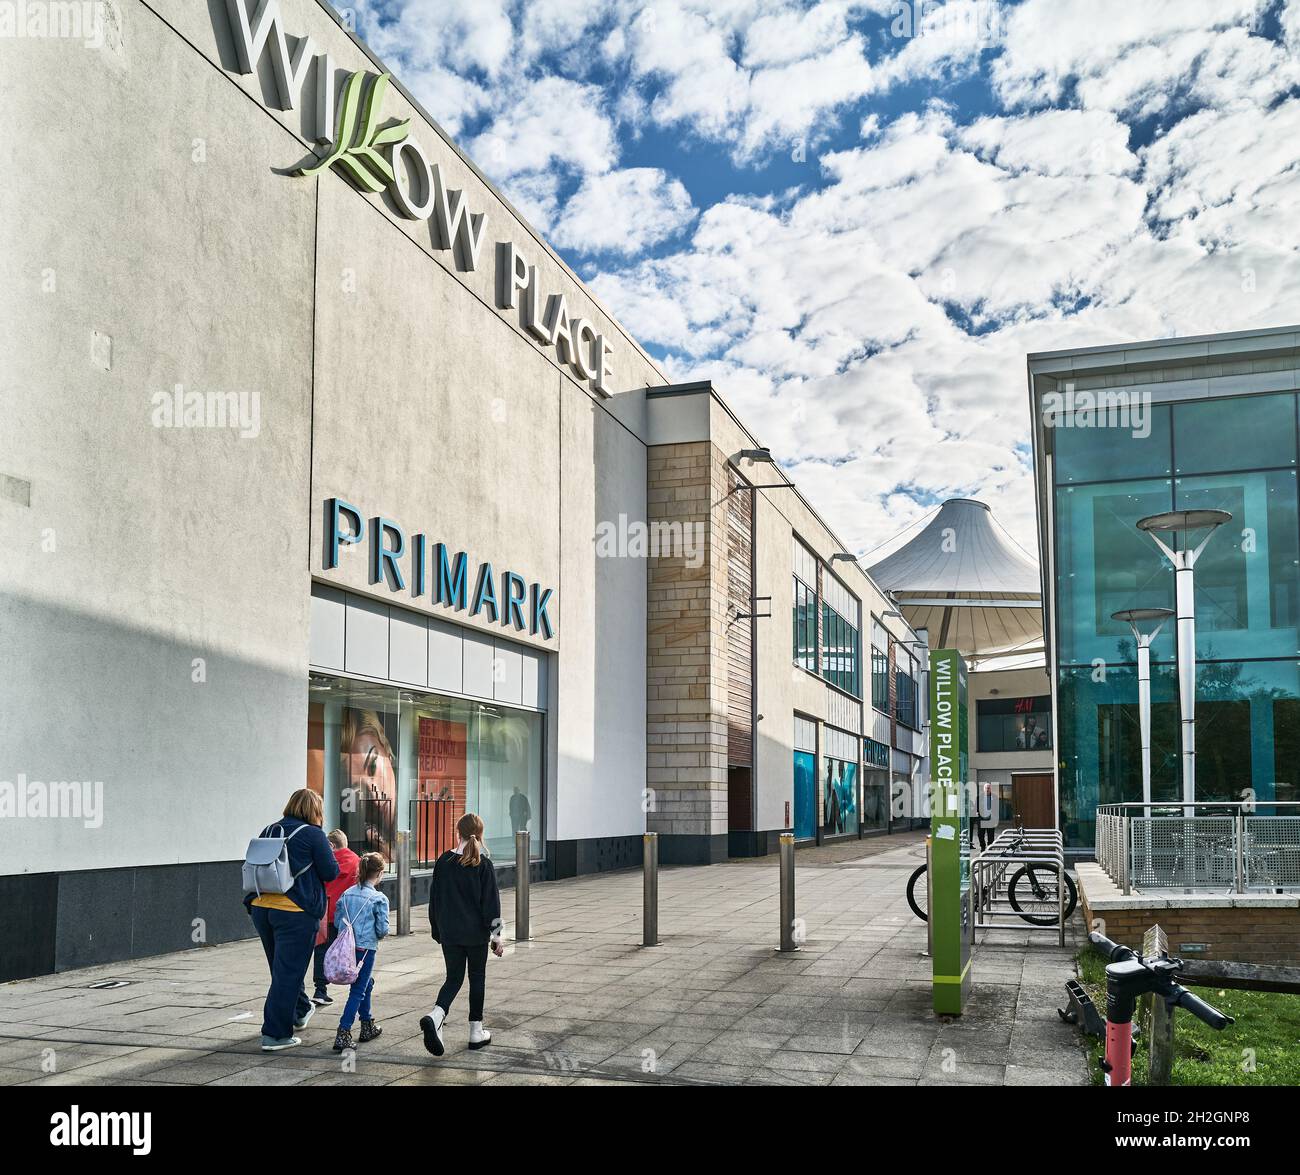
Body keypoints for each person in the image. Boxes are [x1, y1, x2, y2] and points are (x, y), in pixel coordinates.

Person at [245, 789, 339, 1052]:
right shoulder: (312, 833)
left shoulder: (270, 829)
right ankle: (274, 1034)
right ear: (314, 810)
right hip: (295, 911)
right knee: (288, 972)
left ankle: (299, 1010)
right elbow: (331, 872)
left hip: (261, 906)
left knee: (282, 968)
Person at [420, 813, 503, 1057]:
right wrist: (496, 936)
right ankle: (476, 1032)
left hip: (450, 933)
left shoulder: (443, 861)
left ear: (457, 832)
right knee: (476, 978)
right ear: (480, 833)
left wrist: (437, 929)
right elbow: (492, 905)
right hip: (475, 935)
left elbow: (434, 899)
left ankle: (436, 1015)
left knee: (453, 978)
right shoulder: (483, 865)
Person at [331, 852, 390, 1053]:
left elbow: (338, 921)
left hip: (346, 947)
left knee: (366, 984)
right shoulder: (378, 898)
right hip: (365, 949)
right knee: (358, 990)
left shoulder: (346, 894)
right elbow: (382, 930)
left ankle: (367, 1024)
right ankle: (343, 1031)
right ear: (380, 873)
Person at [311, 829, 360, 1006]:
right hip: (347, 915)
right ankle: (357, 984)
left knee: (321, 950)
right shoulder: (356, 861)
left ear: (330, 845)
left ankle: (320, 989)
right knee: (349, 949)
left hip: (326, 912)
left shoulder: (324, 862)